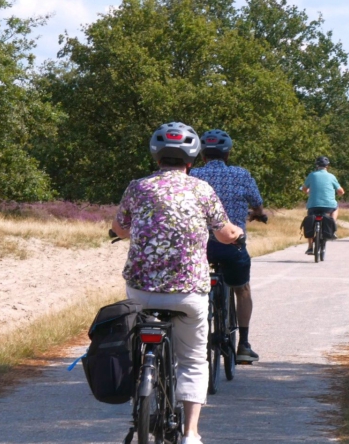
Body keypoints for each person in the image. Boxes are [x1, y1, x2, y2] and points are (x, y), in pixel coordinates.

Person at [111, 122, 244, 444]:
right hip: (188, 293)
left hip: (141, 290)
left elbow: (120, 228)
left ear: (156, 156)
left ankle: (142, 376)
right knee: (194, 361)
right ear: (192, 158)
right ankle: (191, 434)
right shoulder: (202, 189)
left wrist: (129, 230)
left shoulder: (137, 187)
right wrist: (236, 234)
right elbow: (224, 233)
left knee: (135, 339)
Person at [190, 129, 264, 363]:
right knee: (242, 289)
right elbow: (257, 203)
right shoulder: (241, 175)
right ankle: (243, 344)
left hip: (200, 247)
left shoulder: (193, 175)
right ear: (228, 154)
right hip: (232, 246)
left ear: (202, 155)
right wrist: (257, 214)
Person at [302, 155, 344, 255]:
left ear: (316, 166)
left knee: (310, 221)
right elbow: (341, 191)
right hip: (328, 206)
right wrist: (338, 193)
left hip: (313, 206)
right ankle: (332, 225)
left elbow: (304, 188)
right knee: (335, 208)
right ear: (327, 166)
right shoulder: (332, 176)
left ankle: (310, 247)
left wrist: (308, 191)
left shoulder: (311, 175)